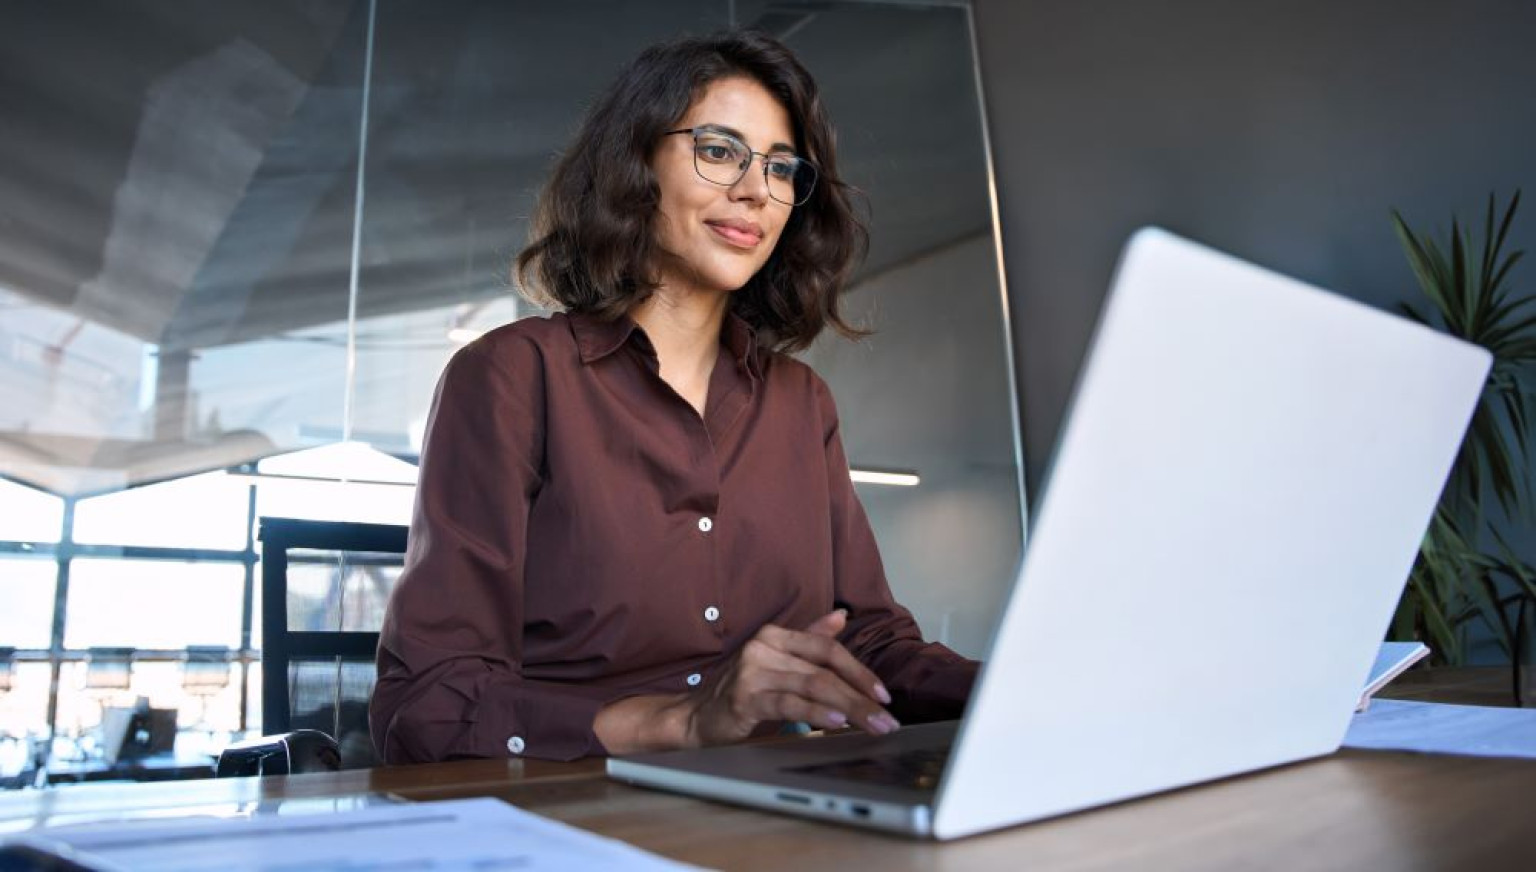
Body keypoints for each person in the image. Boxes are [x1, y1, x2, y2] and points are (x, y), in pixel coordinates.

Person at [371, 30, 977, 764]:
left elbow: (870, 644)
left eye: (782, 167)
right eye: (719, 151)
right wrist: (680, 722)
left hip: (783, 802)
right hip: (577, 807)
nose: (756, 190)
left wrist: (1023, 687)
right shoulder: (511, 377)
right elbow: (427, 704)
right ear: (635, 165)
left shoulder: (801, 402)